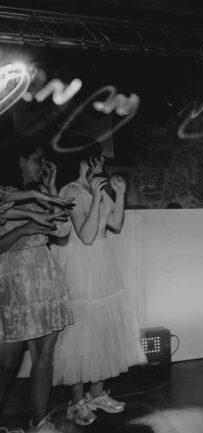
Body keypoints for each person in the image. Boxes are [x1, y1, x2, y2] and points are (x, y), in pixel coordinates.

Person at [50, 143, 146, 426]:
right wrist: (94, 197)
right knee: (80, 333)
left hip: (103, 264)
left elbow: (114, 223)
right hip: (81, 267)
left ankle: (96, 394)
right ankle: (76, 403)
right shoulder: (69, 191)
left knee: (104, 328)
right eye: (99, 158)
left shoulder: (97, 189)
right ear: (85, 159)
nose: (103, 162)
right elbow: (86, 235)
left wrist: (120, 194)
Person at [0, 137, 74, 433]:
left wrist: (51, 187)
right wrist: (23, 230)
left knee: (44, 356)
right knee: (6, 364)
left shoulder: (42, 191)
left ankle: (39, 421)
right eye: (37, 159)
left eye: (44, 160)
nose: (43, 164)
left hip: (43, 280)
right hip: (11, 282)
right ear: (20, 160)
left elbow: (63, 232)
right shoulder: (5, 193)